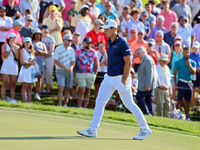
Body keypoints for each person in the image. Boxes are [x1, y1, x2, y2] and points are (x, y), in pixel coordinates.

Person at [77, 19, 151, 140]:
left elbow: (129, 62)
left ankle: (145, 128)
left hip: (121, 78)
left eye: (107, 29)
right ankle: (92, 129)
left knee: (129, 104)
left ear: (114, 29)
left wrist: (124, 80)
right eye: (104, 29)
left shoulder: (123, 43)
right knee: (100, 101)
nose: (105, 31)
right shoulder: (109, 41)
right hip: (109, 77)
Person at [173, 46, 196, 121]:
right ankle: (177, 115)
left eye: (188, 52)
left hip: (189, 83)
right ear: (182, 53)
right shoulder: (178, 62)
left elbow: (193, 73)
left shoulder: (193, 62)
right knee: (179, 100)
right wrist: (175, 85)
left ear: (190, 53)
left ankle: (187, 117)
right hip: (181, 82)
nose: (186, 54)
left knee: (187, 101)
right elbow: (174, 74)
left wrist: (189, 65)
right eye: (185, 52)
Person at [135, 46, 160, 115]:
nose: (138, 55)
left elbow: (150, 73)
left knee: (139, 97)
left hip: (148, 84)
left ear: (143, 52)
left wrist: (148, 85)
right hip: (148, 84)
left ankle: (146, 112)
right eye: (137, 53)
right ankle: (149, 114)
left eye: (139, 53)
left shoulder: (147, 59)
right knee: (148, 99)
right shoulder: (145, 59)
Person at [75, 37, 99, 108]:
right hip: (80, 73)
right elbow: (74, 62)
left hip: (91, 73)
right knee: (81, 90)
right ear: (83, 43)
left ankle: (85, 107)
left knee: (88, 91)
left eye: (90, 43)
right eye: (87, 43)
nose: (89, 44)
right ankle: (79, 106)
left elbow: (96, 63)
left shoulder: (94, 52)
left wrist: (95, 74)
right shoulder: (78, 51)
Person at [53, 34, 75, 107]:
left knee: (67, 88)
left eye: (71, 41)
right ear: (64, 40)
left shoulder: (71, 50)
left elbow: (73, 61)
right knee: (61, 88)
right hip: (60, 71)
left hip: (69, 71)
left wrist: (71, 68)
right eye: (69, 40)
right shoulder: (58, 49)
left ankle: (65, 104)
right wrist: (65, 68)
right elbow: (56, 61)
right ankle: (60, 104)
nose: (70, 42)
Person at [17, 37, 37, 103]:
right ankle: (24, 101)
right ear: (24, 43)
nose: (27, 43)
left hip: (31, 70)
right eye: (26, 42)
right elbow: (22, 61)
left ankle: (29, 101)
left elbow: (34, 60)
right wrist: (30, 63)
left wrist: (33, 62)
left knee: (30, 87)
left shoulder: (32, 51)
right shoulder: (22, 50)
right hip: (25, 70)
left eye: (28, 42)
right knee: (24, 86)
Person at [0, 33, 19, 101]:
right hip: (6, 65)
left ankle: (12, 99)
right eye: (13, 37)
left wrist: (15, 49)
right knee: (5, 83)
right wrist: (11, 49)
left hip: (14, 66)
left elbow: (17, 57)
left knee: (13, 84)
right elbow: (5, 56)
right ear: (10, 38)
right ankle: (3, 99)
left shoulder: (16, 46)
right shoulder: (4, 46)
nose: (14, 38)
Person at [32, 29, 47, 100]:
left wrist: (39, 51)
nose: (38, 36)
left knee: (39, 78)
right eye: (36, 34)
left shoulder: (42, 44)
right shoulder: (32, 43)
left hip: (40, 63)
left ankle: (37, 93)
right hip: (33, 62)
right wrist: (40, 52)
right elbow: (32, 52)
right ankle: (30, 91)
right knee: (31, 78)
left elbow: (46, 53)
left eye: (39, 34)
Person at [40, 25, 55, 96]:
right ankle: (41, 90)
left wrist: (44, 55)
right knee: (41, 75)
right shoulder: (40, 38)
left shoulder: (51, 38)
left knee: (49, 75)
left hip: (49, 59)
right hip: (40, 59)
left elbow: (51, 50)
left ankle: (48, 92)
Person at [92, 41, 107, 108]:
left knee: (102, 87)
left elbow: (107, 63)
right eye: (100, 45)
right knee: (97, 87)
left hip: (104, 71)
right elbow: (96, 63)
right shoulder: (96, 53)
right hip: (98, 71)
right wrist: (101, 63)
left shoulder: (106, 54)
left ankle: (101, 101)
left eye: (102, 46)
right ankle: (96, 100)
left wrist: (105, 55)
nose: (101, 47)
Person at [71, 31, 81, 107]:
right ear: (73, 37)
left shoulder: (82, 46)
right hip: (73, 68)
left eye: (78, 36)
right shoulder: (71, 46)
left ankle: (79, 100)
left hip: (81, 69)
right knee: (74, 85)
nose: (77, 38)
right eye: (75, 36)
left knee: (80, 85)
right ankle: (74, 100)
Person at [189, 41, 200, 112]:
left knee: (199, 91)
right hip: (194, 74)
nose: (195, 49)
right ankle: (193, 106)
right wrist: (195, 69)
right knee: (193, 90)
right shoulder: (190, 55)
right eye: (194, 48)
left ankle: (198, 106)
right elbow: (190, 66)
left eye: (196, 48)